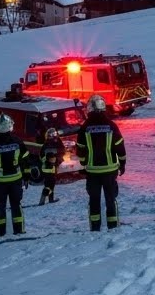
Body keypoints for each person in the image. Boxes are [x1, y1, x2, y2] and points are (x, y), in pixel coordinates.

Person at [76, 94, 126, 231]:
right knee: (110, 199)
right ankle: (113, 226)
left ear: (89, 109)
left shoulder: (85, 127)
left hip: (92, 171)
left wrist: (84, 163)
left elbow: (80, 148)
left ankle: (95, 227)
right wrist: (122, 163)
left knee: (94, 200)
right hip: (110, 170)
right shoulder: (111, 125)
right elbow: (119, 146)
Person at [0, 114, 30, 237]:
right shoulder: (17, 141)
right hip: (16, 180)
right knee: (16, 205)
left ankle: (0, 232)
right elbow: (25, 160)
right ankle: (19, 230)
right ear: (10, 126)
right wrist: (26, 176)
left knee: (0, 206)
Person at [38, 127, 64, 205]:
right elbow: (42, 155)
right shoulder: (49, 144)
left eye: (54, 133)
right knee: (50, 184)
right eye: (52, 134)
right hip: (49, 167)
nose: (53, 135)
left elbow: (62, 151)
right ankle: (44, 200)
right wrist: (47, 160)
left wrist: (56, 159)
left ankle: (49, 199)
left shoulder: (49, 143)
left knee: (50, 184)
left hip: (50, 167)